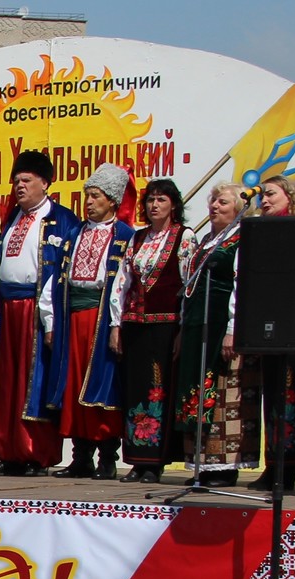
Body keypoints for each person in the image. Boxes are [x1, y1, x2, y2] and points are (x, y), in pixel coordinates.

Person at [0, 150, 79, 476]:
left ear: (45, 183)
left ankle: (36, 454)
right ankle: (8, 452)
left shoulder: (62, 220)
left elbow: (58, 276)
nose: (19, 187)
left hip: (37, 312)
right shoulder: (11, 220)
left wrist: (50, 320)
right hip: (8, 312)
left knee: (34, 384)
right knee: (7, 383)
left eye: (26, 180)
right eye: (16, 181)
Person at [50, 165, 136, 480]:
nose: (88, 202)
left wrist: (116, 325)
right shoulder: (75, 233)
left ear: (112, 201)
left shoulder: (125, 235)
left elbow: (124, 285)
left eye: (95, 196)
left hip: (101, 318)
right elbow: (57, 281)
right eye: (87, 196)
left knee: (103, 385)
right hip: (73, 317)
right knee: (73, 386)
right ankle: (81, 456)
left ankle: (107, 459)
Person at [108, 178, 195, 483]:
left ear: (174, 204)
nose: (154, 205)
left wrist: (183, 329)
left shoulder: (184, 237)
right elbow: (122, 283)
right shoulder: (138, 238)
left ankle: (154, 463)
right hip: (135, 326)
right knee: (134, 391)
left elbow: (188, 287)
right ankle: (135, 459)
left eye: (161, 200)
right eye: (150, 200)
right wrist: (116, 324)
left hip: (165, 326)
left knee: (158, 391)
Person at [238, 176, 295, 490]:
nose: (265, 201)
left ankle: (288, 466)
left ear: (290, 196)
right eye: (263, 197)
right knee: (272, 398)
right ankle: (274, 463)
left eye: (271, 195)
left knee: (291, 396)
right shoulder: (261, 231)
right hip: (267, 325)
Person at [178, 184, 248, 487]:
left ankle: (223, 467)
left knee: (220, 392)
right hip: (197, 321)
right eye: (213, 201)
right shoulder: (207, 240)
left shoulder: (241, 239)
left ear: (238, 208)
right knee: (196, 391)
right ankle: (200, 464)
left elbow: (241, 285)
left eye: (223, 202)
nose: (214, 206)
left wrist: (233, 328)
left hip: (221, 321)